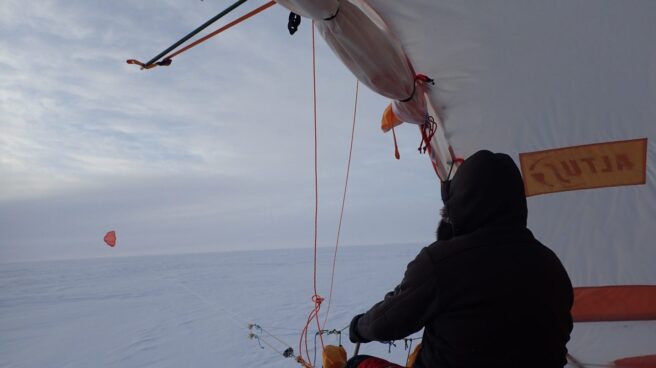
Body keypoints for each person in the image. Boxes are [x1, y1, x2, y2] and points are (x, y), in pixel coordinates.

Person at [347, 150, 574, 368]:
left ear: (461, 202)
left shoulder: (441, 263)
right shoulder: (550, 265)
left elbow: (386, 323)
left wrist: (358, 327)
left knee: (357, 364)